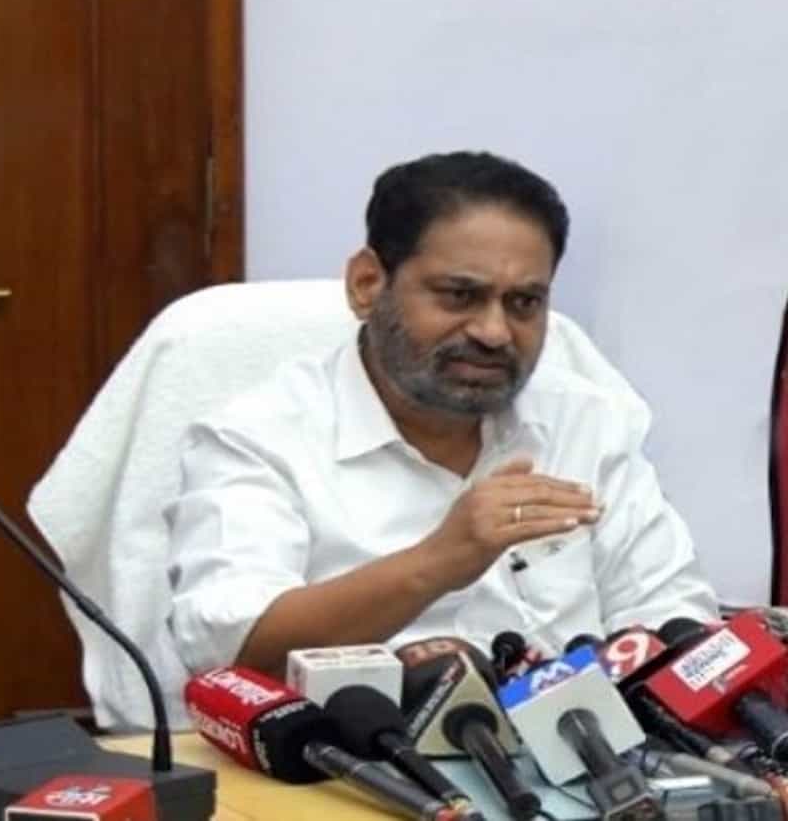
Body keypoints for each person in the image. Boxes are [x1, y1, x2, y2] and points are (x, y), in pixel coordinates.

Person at [167, 151, 718, 678]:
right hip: (361, 742)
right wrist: (439, 561)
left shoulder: (587, 421)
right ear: (367, 285)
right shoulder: (257, 438)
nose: (494, 332)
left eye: (524, 303)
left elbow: (674, 619)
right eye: (459, 295)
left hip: (586, 737)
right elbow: (229, 655)